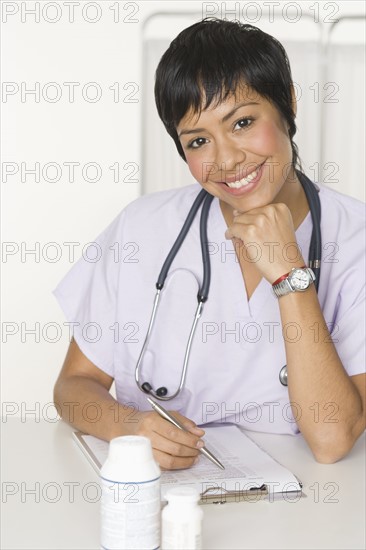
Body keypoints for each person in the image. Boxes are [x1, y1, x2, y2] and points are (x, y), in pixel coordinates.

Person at [53, 18, 365, 469]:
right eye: (199, 140)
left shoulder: (355, 240)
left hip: (308, 512)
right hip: (161, 498)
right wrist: (130, 426)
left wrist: (288, 273)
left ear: (288, 103)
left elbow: (333, 438)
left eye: (242, 122)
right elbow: (73, 386)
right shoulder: (141, 229)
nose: (226, 159)